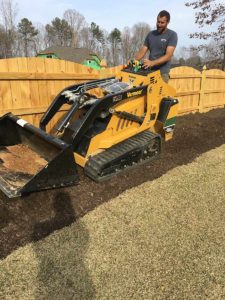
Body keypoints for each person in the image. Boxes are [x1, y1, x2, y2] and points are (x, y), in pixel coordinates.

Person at [134, 10, 178, 83]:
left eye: (162, 22)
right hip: (150, 71)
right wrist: (134, 60)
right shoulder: (151, 34)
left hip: (162, 73)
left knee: (160, 94)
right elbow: (143, 50)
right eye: (158, 21)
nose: (159, 24)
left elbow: (168, 56)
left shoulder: (172, 35)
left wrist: (152, 63)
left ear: (168, 22)